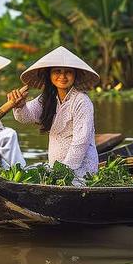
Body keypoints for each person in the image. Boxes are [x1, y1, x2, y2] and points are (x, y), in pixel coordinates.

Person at [10, 46, 100, 177]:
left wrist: (61, 173)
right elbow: (25, 117)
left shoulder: (81, 101)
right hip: (56, 169)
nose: (62, 76)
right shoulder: (47, 98)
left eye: (68, 72)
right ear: (50, 75)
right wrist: (19, 106)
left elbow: (81, 142)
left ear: (75, 75)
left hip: (82, 170)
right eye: (57, 71)